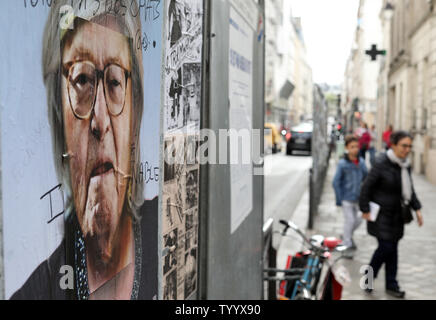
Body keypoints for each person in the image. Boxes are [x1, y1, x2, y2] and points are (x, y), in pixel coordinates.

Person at [11, 1, 158, 300]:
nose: (100, 120)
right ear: (57, 117)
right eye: (82, 80)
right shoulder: (35, 294)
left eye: (115, 81)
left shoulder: (166, 230)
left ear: (135, 110)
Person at [360, 131, 424, 299]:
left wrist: (417, 209)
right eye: (404, 145)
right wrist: (364, 209)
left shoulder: (404, 165)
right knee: (386, 248)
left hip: (397, 216)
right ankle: (370, 279)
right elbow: (366, 187)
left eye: (410, 146)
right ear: (393, 145)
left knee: (392, 250)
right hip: (381, 215)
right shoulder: (381, 163)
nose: (407, 149)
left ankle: (391, 284)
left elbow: (409, 189)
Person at [332, 135, 368, 258]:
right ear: (347, 148)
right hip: (346, 198)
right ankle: (346, 244)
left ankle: (346, 235)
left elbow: (366, 178)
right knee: (350, 220)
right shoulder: (343, 164)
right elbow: (336, 182)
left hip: (358, 198)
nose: (355, 149)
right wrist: (339, 198)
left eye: (356, 147)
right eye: (352, 147)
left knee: (359, 219)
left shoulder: (361, 162)